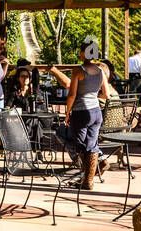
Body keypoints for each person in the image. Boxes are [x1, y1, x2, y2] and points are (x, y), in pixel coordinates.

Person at [48, 42, 119, 188]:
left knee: (80, 145)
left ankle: (86, 179)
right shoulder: (100, 71)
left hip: (81, 112)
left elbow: (72, 94)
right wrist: (92, 93)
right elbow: (106, 94)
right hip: (96, 113)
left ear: (82, 53)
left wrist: (67, 113)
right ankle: (88, 181)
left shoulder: (78, 71)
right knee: (91, 145)